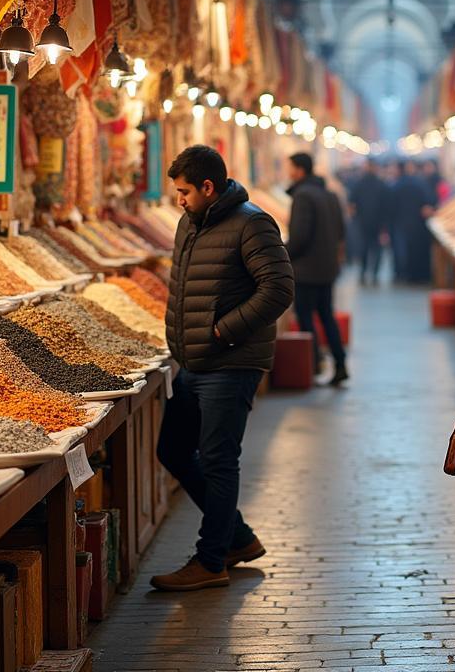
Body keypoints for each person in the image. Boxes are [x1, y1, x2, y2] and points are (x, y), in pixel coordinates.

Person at [152, 145, 294, 591]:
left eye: (185, 191)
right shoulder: (189, 224)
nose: (179, 200)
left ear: (208, 187)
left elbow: (279, 289)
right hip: (193, 361)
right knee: (172, 450)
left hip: (230, 362)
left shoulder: (251, 223)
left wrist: (223, 331)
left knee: (217, 461)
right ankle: (237, 538)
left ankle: (211, 559)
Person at [285, 152, 349, 385]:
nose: (288, 173)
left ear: (300, 170)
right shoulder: (329, 195)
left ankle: (313, 365)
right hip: (327, 268)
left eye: (290, 168)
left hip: (306, 271)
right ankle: (340, 364)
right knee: (326, 316)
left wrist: (283, 253)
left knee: (305, 319)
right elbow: (341, 230)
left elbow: (300, 236)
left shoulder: (302, 196)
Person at [391, 160, 434, 284]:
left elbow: (392, 206)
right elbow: (429, 203)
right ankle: (420, 275)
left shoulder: (397, 185)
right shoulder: (421, 184)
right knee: (418, 251)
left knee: (404, 251)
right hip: (419, 224)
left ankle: (405, 274)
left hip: (401, 224)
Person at [349, 158, 389, 286]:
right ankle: (374, 275)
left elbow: (351, 204)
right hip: (378, 223)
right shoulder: (381, 184)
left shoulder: (359, 183)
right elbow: (386, 206)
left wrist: (354, 219)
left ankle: (363, 273)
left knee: (364, 249)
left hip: (362, 222)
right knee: (376, 250)